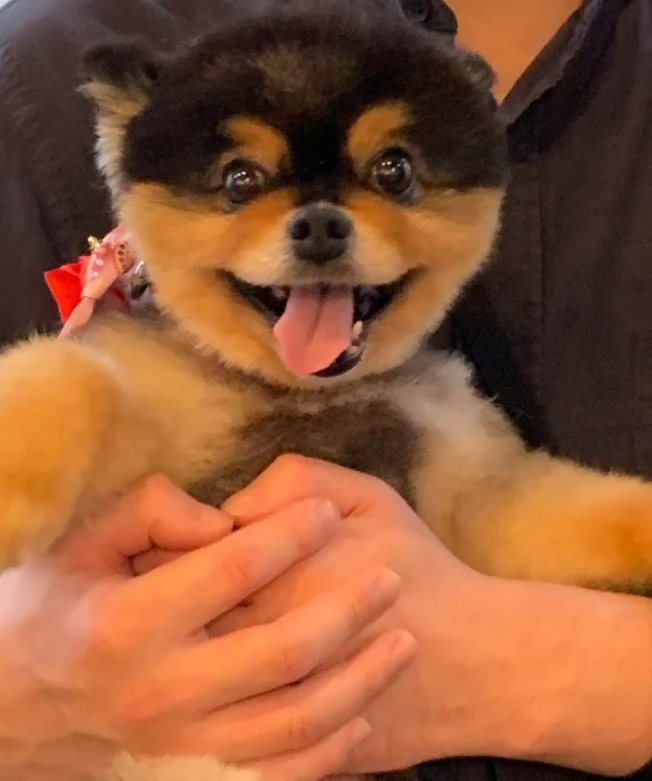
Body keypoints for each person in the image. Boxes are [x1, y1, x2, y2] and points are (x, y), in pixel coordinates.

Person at [1, 1, 652, 781]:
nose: (320, 224)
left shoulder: (437, 405)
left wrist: (543, 662)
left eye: (391, 173)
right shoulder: (41, 72)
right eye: (240, 180)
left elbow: (513, 509)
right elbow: (64, 408)